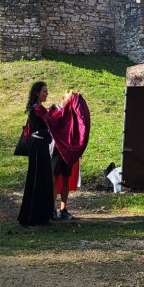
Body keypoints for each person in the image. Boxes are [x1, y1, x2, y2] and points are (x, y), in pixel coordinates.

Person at [48, 89, 91, 220]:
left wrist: (78, 149)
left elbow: (79, 129)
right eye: (69, 97)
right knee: (54, 178)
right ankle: (52, 209)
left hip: (69, 150)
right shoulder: (55, 110)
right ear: (63, 97)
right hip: (56, 149)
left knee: (66, 178)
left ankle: (63, 209)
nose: (71, 100)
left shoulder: (73, 112)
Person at [18, 81, 55, 226]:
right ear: (37, 93)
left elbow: (47, 118)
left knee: (41, 177)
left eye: (47, 91)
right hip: (38, 146)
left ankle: (40, 215)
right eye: (44, 91)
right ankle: (35, 216)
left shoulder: (39, 108)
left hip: (40, 145)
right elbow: (49, 120)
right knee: (39, 178)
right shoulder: (37, 108)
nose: (47, 94)